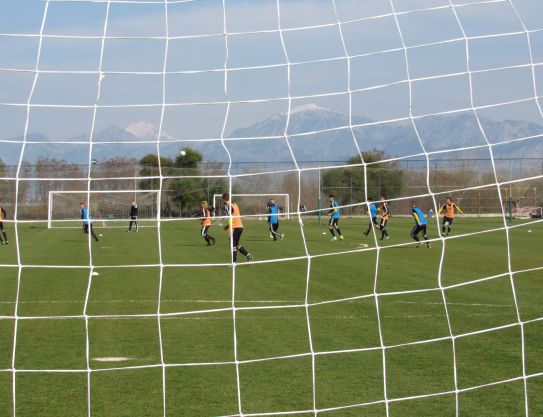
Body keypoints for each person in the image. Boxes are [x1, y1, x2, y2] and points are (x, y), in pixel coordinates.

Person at [222, 193, 253, 263]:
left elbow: (230, 217)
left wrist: (228, 226)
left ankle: (234, 262)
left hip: (235, 227)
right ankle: (248, 255)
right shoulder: (234, 204)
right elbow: (233, 217)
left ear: (224, 199)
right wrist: (227, 226)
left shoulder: (229, 206)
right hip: (240, 226)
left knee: (232, 244)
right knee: (235, 244)